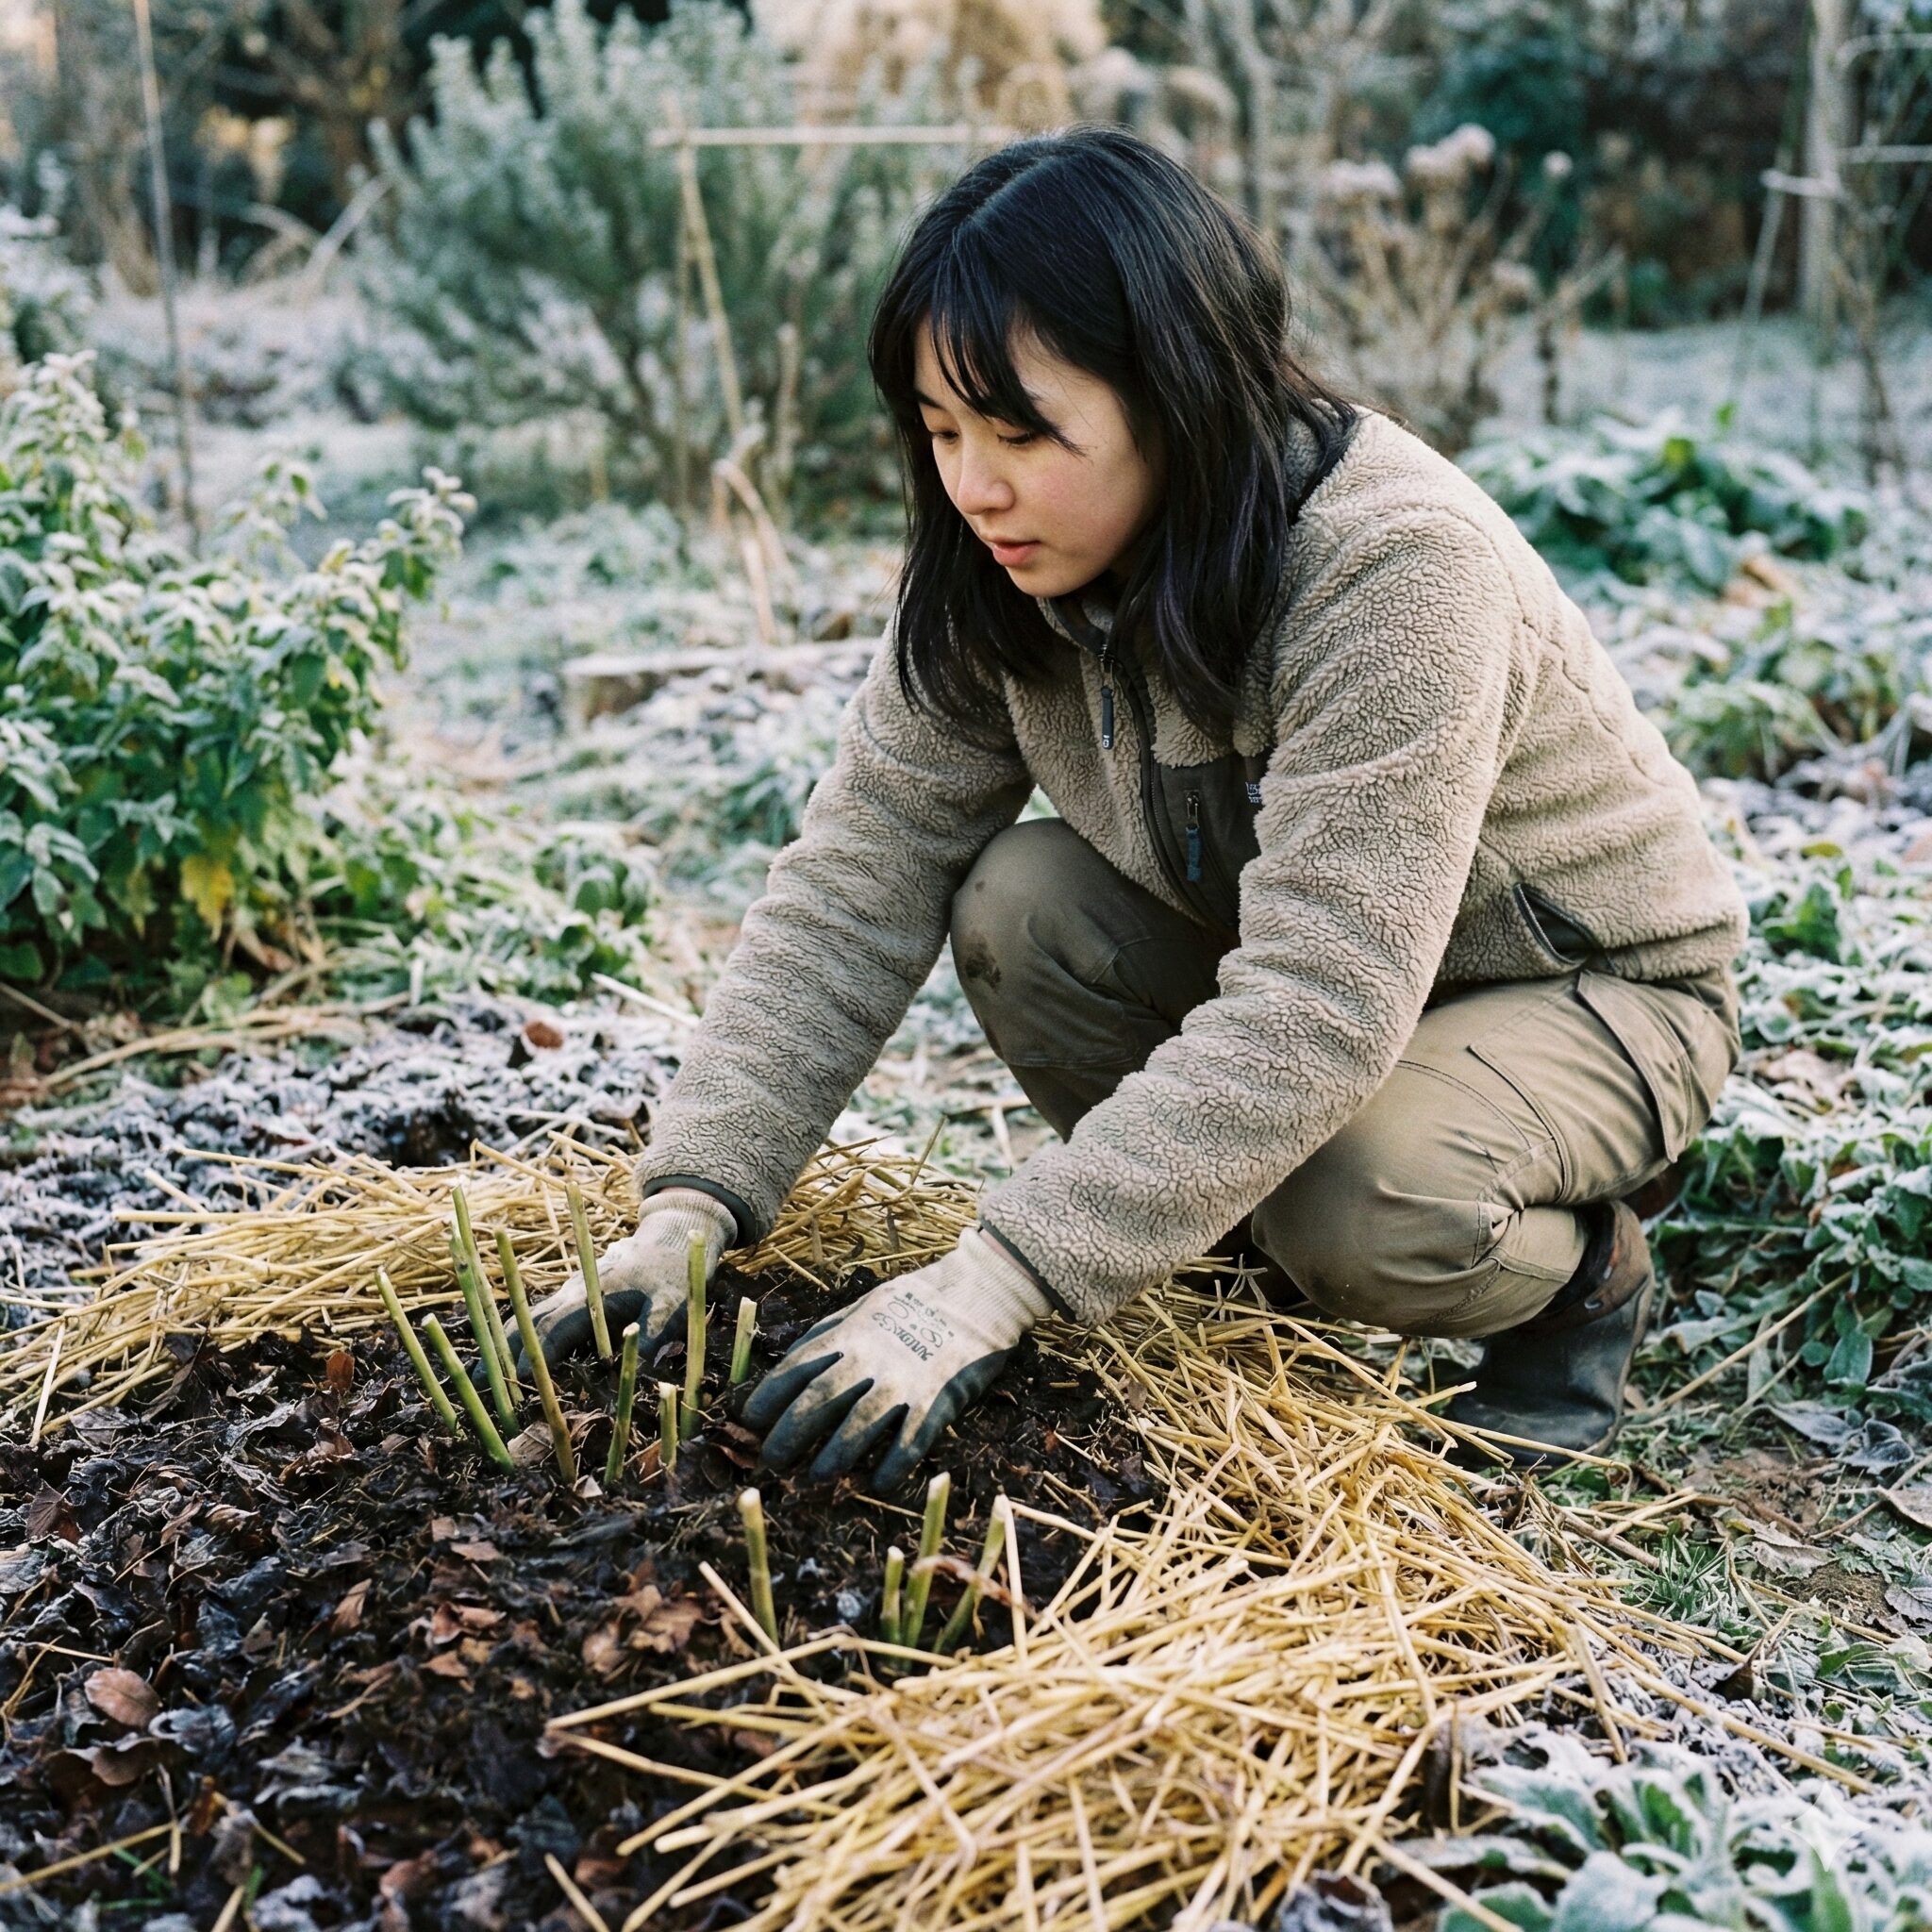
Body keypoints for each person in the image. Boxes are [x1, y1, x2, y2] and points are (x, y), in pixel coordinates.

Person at [523, 126, 1746, 1488]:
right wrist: (693, 1199)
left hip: (1588, 989)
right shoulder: (1002, 565)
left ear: (1174, 395)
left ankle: (1579, 1282)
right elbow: (854, 878)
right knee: (1020, 904)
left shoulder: (1394, 565)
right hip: (1321, 977)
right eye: (940, 431)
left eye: (1022, 431)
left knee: (1359, 1199)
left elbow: (1322, 1002)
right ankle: (1237, 1252)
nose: (973, 485)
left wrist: (997, 1280)